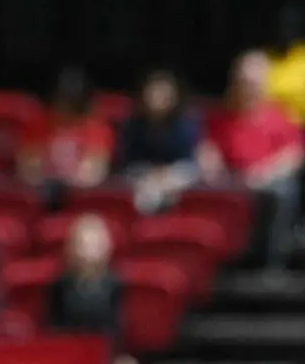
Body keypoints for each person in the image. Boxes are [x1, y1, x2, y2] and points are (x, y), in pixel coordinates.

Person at [201, 50, 303, 267]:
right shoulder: (219, 117)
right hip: (228, 180)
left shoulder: (280, 115)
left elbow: (293, 155)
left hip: (265, 182)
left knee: (282, 192)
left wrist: (264, 174)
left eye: (253, 83)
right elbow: (208, 150)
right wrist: (213, 168)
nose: (247, 88)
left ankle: (269, 264)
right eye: (242, 81)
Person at [47, 214, 135, 364]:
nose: (88, 252)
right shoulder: (59, 284)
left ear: (106, 245)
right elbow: (53, 327)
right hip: (70, 353)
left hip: (106, 353)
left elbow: (118, 328)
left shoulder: (116, 284)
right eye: (83, 244)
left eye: (94, 244)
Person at [18, 67, 114, 200]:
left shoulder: (97, 128)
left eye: (72, 103)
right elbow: (29, 170)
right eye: (61, 100)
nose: (65, 108)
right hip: (40, 196)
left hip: (82, 198)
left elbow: (93, 173)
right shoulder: (37, 125)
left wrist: (66, 183)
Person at [117, 70, 202, 214]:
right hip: (142, 176)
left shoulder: (186, 125)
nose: (156, 98)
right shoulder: (133, 125)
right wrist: (151, 174)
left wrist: (166, 174)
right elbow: (128, 162)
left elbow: (189, 162)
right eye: (153, 93)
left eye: (163, 94)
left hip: (176, 176)